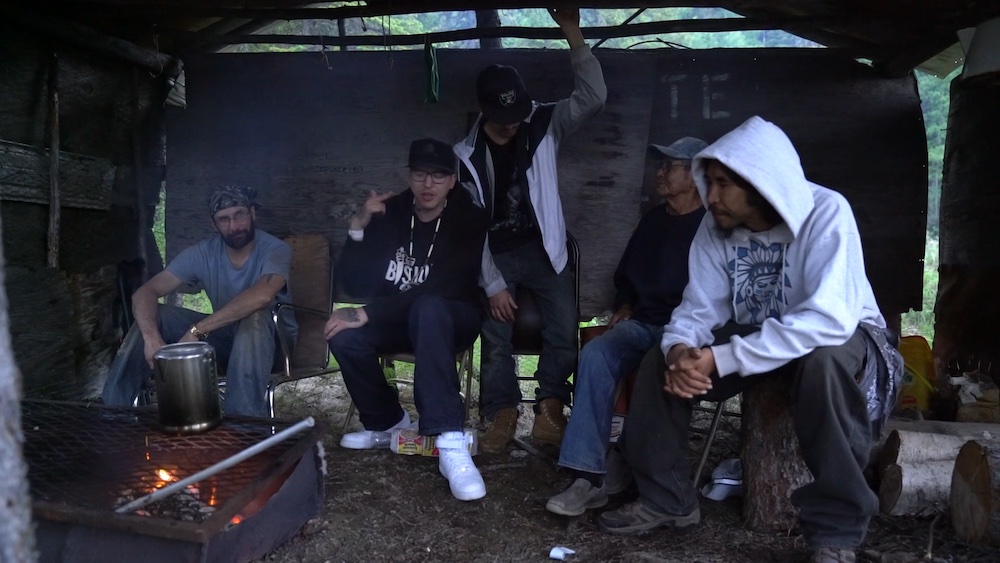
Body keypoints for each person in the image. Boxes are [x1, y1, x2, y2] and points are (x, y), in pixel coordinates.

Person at [596, 116, 902, 563]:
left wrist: (723, 357)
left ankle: (836, 530)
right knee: (660, 362)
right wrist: (682, 349)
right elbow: (699, 308)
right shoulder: (714, 227)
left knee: (825, 365)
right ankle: (667, 500)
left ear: (761, 184)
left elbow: (828, 318)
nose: (710, 195)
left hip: (839, 332)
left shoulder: (825, 211)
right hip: (758, 332)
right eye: (709, 181)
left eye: (722, 184)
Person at [455, 7, 608, 453]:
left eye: (518, 111)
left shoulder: (543, 122)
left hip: (545, 249)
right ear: (484, 110)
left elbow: (594, 97)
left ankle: (550, 410)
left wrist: (574, 35)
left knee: (563, 329)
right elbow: (470, 230)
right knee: (496, 336)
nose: (513, 121)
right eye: (503, 116)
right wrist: (494, 285)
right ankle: (501, 414)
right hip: (495, 255)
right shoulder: (463, 155)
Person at [545, 136, 708, 516]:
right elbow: (629, 274)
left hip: (687, 333)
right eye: (660, 165)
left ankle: (637, 468)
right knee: (598, 353)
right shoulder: (653, 220)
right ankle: (588, 476)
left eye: (671, 166)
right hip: (645, 323)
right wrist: (624, 304)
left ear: (696, 175)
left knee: (656, 364)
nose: (660, 172)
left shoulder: (711, 226)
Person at [327, 138, 490, 502]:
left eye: (438, 176)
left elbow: (447, 284)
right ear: (409, 176)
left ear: (451, 181)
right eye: (420, 175)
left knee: (428, 306)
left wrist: (368, 312)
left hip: (451, 318)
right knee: (343, 336)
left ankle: (449, 440)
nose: (427, 185)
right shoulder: (392, 213)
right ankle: (389, 425)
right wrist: (359, 226)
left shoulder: (470, 218)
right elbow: (354, 282)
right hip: (397, 317)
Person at [102, 185, 295, 417]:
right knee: (157, 315)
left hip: (271, 345)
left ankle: (244, 424)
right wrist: (151, 338)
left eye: (239, 215)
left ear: (253, 213)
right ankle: (114, 413)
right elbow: (145, 292)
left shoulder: (275, 249)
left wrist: (197, 330)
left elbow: (262, 295)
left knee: (256, 315)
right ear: (214, 225)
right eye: (224, 220)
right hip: (225, 343)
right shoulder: (204, 253)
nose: (233, 226)